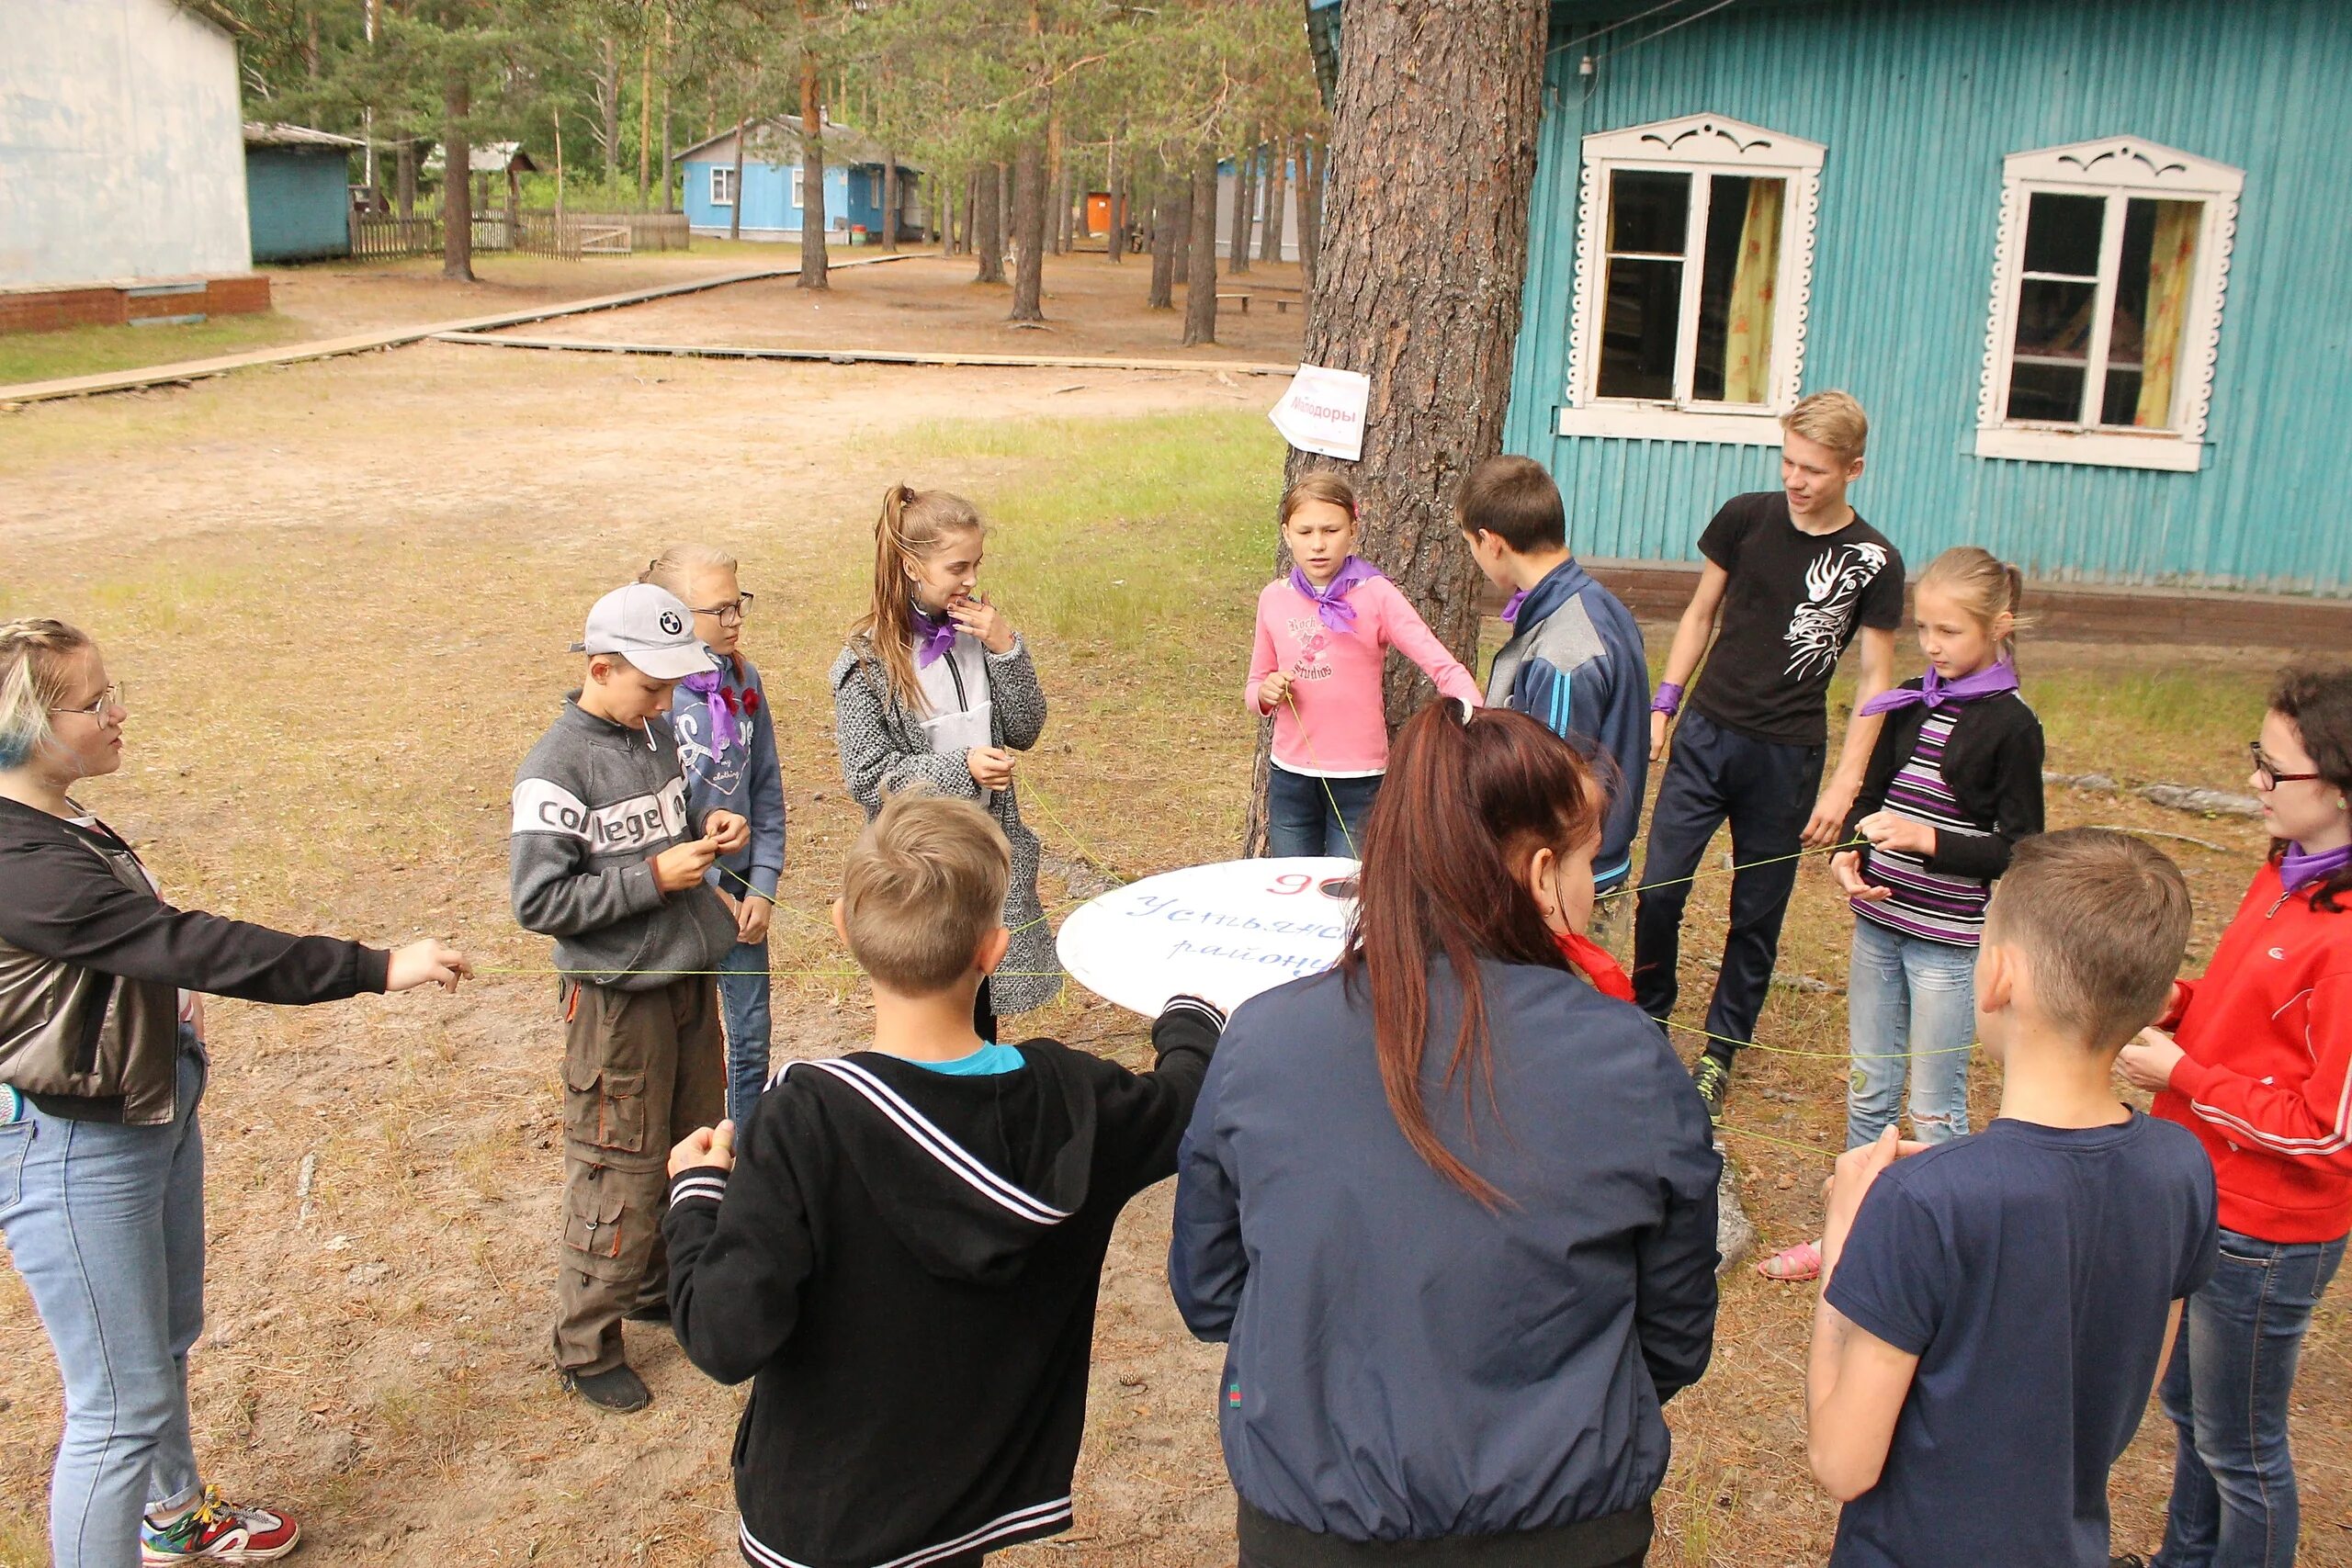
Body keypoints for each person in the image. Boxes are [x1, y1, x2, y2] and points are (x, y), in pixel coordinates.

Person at [1171, 704, 1720, 1567]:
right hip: (1565, 1528)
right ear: (1543, 875)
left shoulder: (1261, 1042)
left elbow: (1210, 1293)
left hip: (1316, 1525)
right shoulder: (1633, 1063)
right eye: (1590, 864)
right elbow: (1675, 1330)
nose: (1594, 889)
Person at [0, 618, 469, 1568]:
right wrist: (376, 967)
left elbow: (131, 958)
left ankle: (173, 1516)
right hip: (71, 1144)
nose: (119, 710)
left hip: (143, 1109)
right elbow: (192, 945)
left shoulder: (57, 814)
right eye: (96, 703)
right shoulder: (21, 864)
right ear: (27, 728)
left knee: (164, 1342)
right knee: (116, 1410)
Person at [661, 794, 1225, 1568]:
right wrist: (1191, 1013)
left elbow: (722, 1336)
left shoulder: (803, 1121)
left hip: (821, 1527)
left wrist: (696, 1194)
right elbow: (1186, 1098)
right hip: (966, 1511)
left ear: (842, 927)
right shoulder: (1071, 1100)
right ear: (993, 949)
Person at [1807, 829, 2217, 1568]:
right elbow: (2124, 1402)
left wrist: (1845, 1244)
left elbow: (1842, 1462)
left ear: (1995, 976)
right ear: (2157, 1002)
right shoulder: (2182, 1167)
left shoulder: (1921, 1200)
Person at [2115, 665, 2352, 1568]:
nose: (2254, 780)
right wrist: (2179, 1004)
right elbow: (2254, 1011)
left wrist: (2190, 1075)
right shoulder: (2288, 872)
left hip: (2266, 1236)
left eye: (2274, 767)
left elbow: (2329, 1130)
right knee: (2188, 1414)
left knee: (2241, 1450)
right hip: (2209, 1198)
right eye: (2257, 756)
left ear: (2336, 782)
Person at [1759, 547, 2045, 1281]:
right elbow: (1873, 797)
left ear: (1999, 626)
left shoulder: (2012, 726)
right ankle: (1848, 1233)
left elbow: (2018, 847)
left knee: (1935, 1103)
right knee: (1870, 1083)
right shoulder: (1914, 701)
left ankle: (1947, 1250)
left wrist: (1929, 840)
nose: (1933, 646)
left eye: (1950, 632)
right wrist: (1849, 852)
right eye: (1924, 629)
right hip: (1881, 925)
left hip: (1948, 943)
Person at [1635, 390, 1903, 1120]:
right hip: (1705, 736)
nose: (1796, 479)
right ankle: (1648, 1018)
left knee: (1756, 913)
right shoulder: (1745, 517)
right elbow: (1700, 613)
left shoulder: (1873, 560)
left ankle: (1720, 1050)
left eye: (1813, 468)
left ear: (1853, 469)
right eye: (1788, 460)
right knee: (1659, 889)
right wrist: (1664, 702)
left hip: (1787, 757)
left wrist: (1845, 787)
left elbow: (1878, 679)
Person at [511, 582, 746, 1414]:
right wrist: (652, 878)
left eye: (674, 686)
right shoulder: (556, 767)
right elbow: (540, 903)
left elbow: (664, 831)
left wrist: (708, 836)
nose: (665, 701)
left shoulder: (649, 735)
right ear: (600, 667)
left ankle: (655, 1284)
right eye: (651, 685)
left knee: (691, 1135)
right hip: (618, 1003)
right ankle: (585, 1339)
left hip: (687, 978)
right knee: (619, 1159)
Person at [832, 483, 1060, 1038]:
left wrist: (1007, 648)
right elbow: (868, 779)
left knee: (981, 999)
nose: (972, 581)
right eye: (958, 567)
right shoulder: (867, 662)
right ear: (912, 565)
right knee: (934, 998)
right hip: (920, 865)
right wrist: (962, 768)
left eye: (977, 564)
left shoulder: (978, 635)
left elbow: (1026, 729)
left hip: (988, 849)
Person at [1459, 454, 1649, 951]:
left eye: (1471, 545)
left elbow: (1550, 795)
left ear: (1492, 543)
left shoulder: (1563, 652)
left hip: (1564, 891)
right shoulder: (1595, 603)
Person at [1248, 471, 1482, 859]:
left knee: (1349, 892)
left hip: (1359, 779)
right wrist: (1265, 693)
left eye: (1331, 530)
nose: (1318, 544)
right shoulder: (1273, 598)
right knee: (1292, 889)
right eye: (1305, 532)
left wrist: (1478, 715)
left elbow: (1440, 663)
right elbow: (1255, 685)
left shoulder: (1375, 594)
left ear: (1353, 530)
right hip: (1291, 777)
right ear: (1287, 534)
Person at [639, 545, 786, 1128]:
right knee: (686, 1043)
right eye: (719, 610)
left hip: (743, 898)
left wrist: (764, 886)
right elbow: (650, 820)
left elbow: (767, 791)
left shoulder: (745, 679)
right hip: (678, 901)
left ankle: (746, 1162)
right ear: (674, 617)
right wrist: (705, 892)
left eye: (738, 604)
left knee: (750, 1041)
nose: (735, 621)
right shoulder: (653, 698)